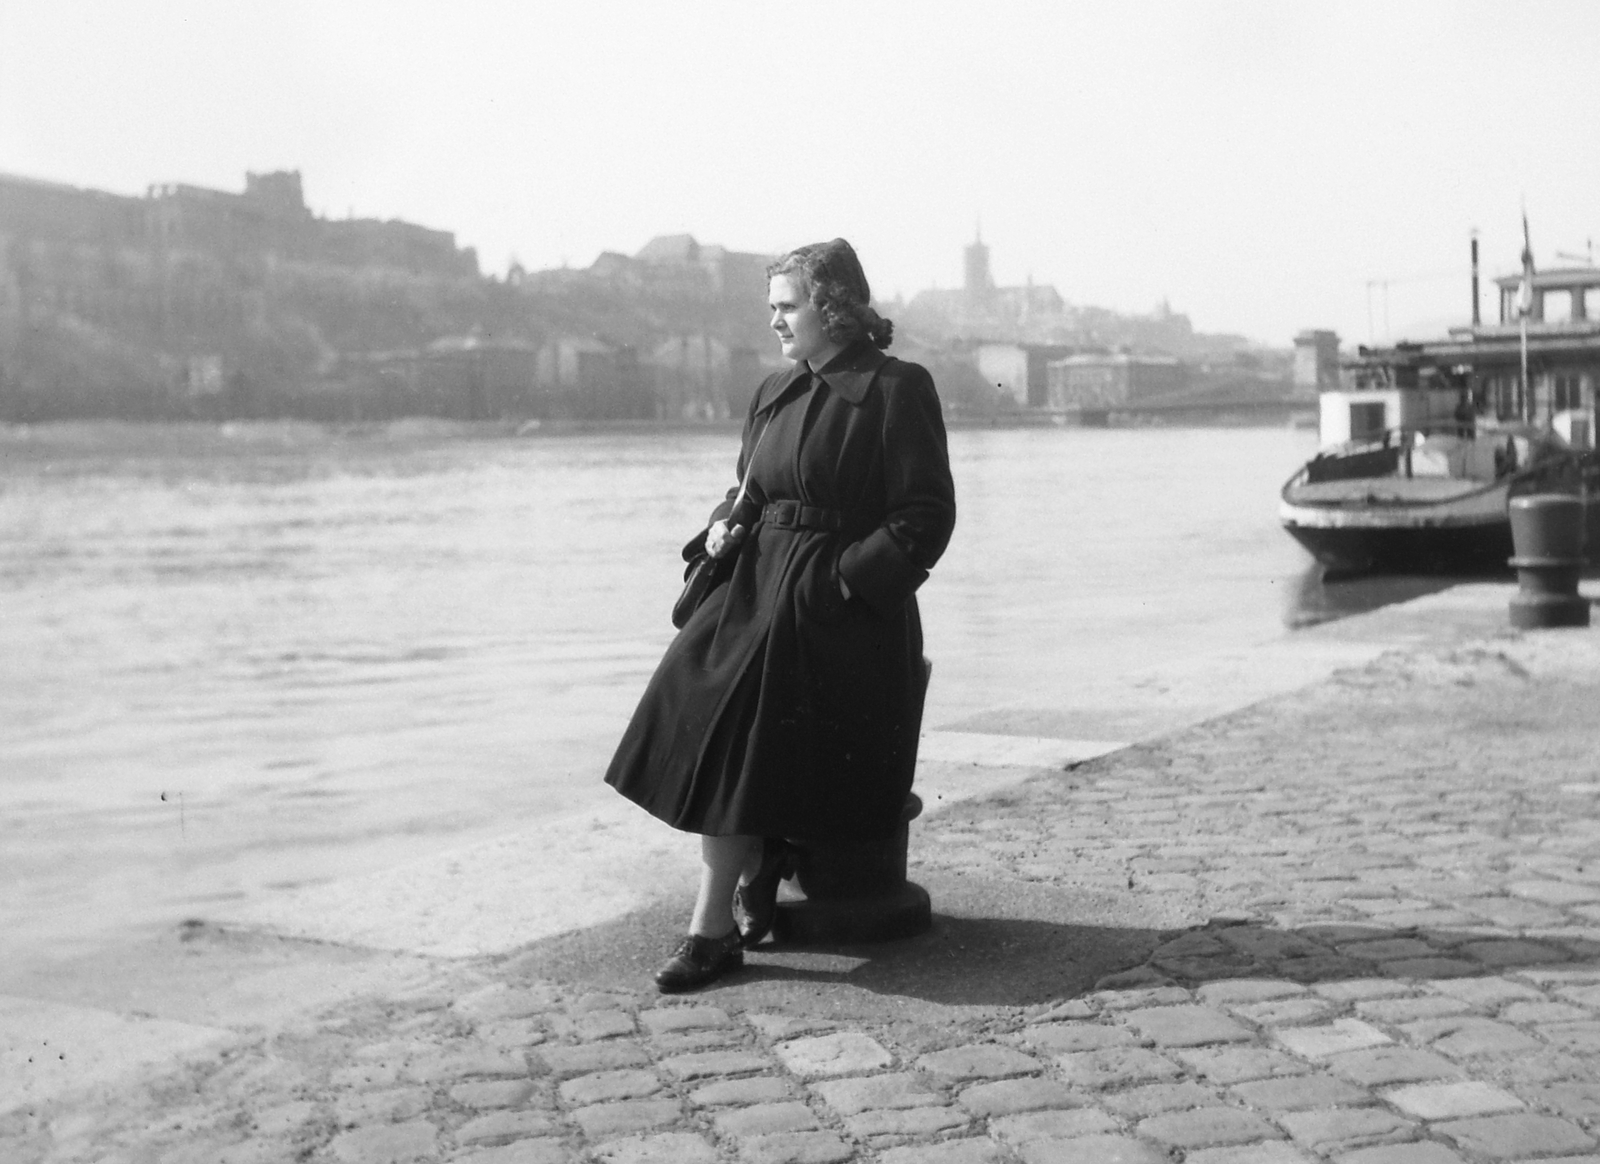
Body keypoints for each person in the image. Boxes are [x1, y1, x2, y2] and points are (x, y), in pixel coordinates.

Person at [605, 238, 957, 992]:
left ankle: (711, 930)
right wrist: (724, 524)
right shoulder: (773, 392)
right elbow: (747, 491)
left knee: (739, 732)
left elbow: (926, 515)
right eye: (770, 308)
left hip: (837, 610)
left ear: (834, 307)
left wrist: (839, 587)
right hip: (756, 588)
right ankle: (757, 864)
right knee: (692, 700)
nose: (775, 322)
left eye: (787, 306)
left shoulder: (897, 388)